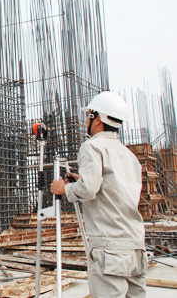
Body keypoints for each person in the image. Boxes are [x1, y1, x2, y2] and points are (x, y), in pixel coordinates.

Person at [50, 91, 147, 297]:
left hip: (110, 249)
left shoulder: (92, 147)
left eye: (88, 115)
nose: (85, 119)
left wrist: (64, 188)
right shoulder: (129, 156)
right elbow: (114, 191)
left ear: (97, 119)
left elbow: (88, 189)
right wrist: (81, 180)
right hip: (136, 247)